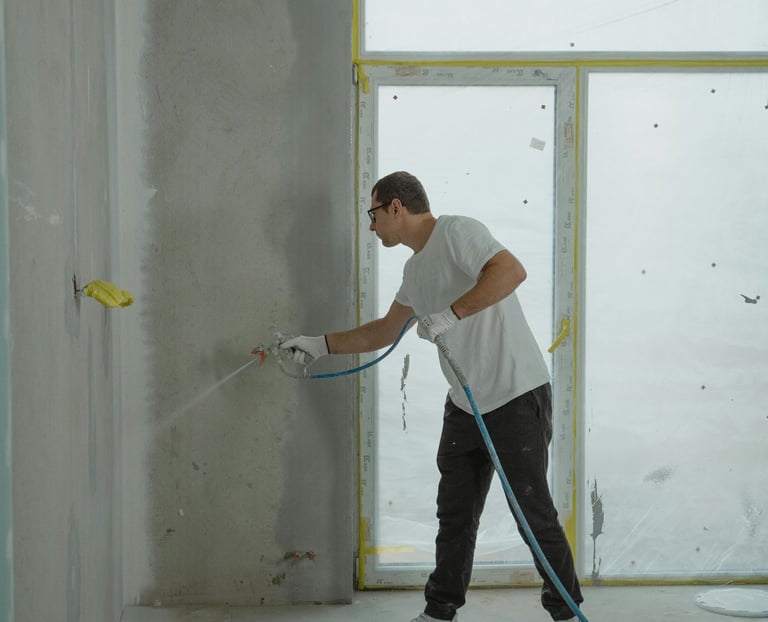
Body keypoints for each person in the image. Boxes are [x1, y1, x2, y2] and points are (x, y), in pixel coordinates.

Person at [281, 171, 583, 622]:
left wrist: (451, 314)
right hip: (465, 404)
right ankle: (440, 610)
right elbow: (386, 330)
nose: (371, 226)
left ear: (396, 207)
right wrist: (319, 344)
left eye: (373, 214)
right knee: (454, 514)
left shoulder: (457, 231)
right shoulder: (414, 271)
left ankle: (566, 611)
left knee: (531, 512)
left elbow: (510, 271)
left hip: (515, 394)